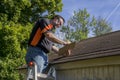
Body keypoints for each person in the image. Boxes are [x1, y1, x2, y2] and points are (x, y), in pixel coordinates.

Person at [25, 15, 70, 79]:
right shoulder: (45, 21)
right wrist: (64, 43)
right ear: (55, 19)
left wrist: (64, 52)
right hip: (36, 52)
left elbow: (53, 47)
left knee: (42, 77)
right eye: (59, 23)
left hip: (44, 55)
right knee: (35, 76)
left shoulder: (50, 32)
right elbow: (49, 35)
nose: (59, 25)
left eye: (61, 25)